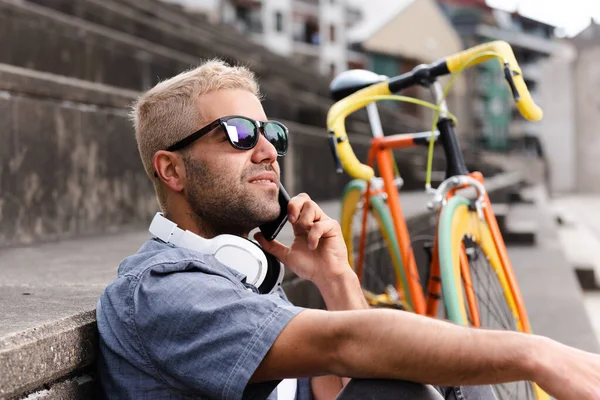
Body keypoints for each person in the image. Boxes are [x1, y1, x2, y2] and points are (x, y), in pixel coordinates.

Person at [96, 59, 600, 400]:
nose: (269, 151)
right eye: (239, 134)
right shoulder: (165, 292)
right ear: (172, 170)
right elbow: (347, 344)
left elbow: (349, 377)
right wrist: (535, 354)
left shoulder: (238, 275)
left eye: (270, 133)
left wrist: (336, 280)